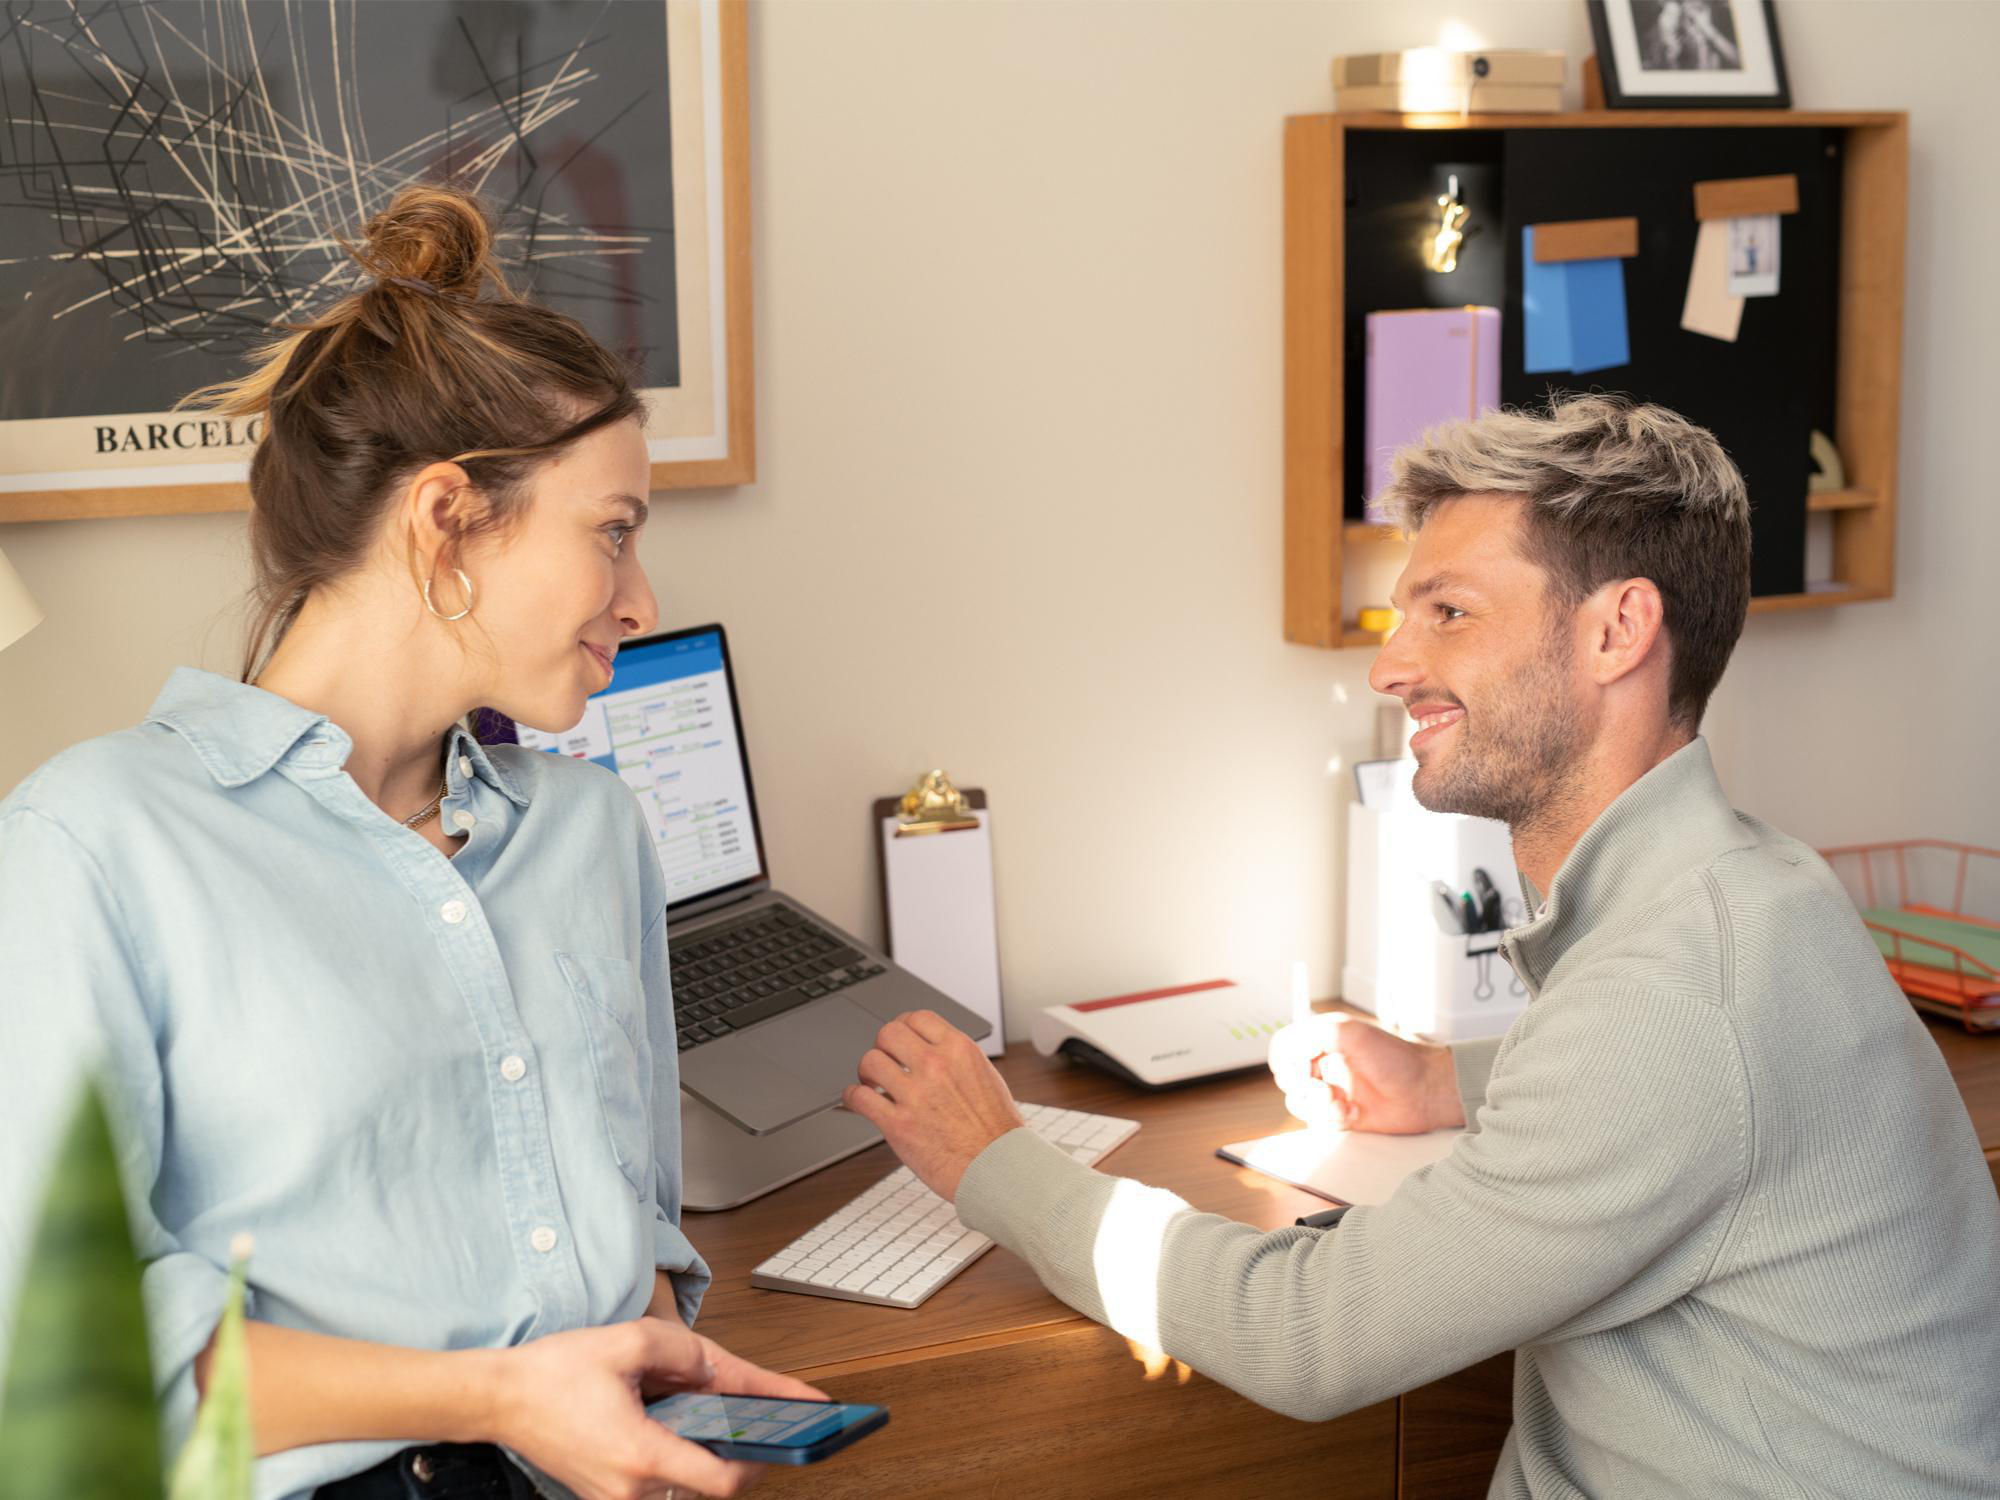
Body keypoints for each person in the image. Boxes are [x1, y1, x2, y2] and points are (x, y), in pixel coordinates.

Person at [840, 397, 2000, 1497]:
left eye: (1447, 613)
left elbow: (1309, 1335)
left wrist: (992, 1161)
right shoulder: (1755, 888)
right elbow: (1700, 1086)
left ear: (1616, 632)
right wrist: (1445, 1080)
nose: (1390, 667)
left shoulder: (1665, 998)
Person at [0, 187, 810, 1500]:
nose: (642, 600)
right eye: (613, 533)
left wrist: (658, 1389)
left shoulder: (591, 831)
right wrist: (498, 1397)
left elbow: (636, 1217)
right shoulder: (93, 846)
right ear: (446, 523)